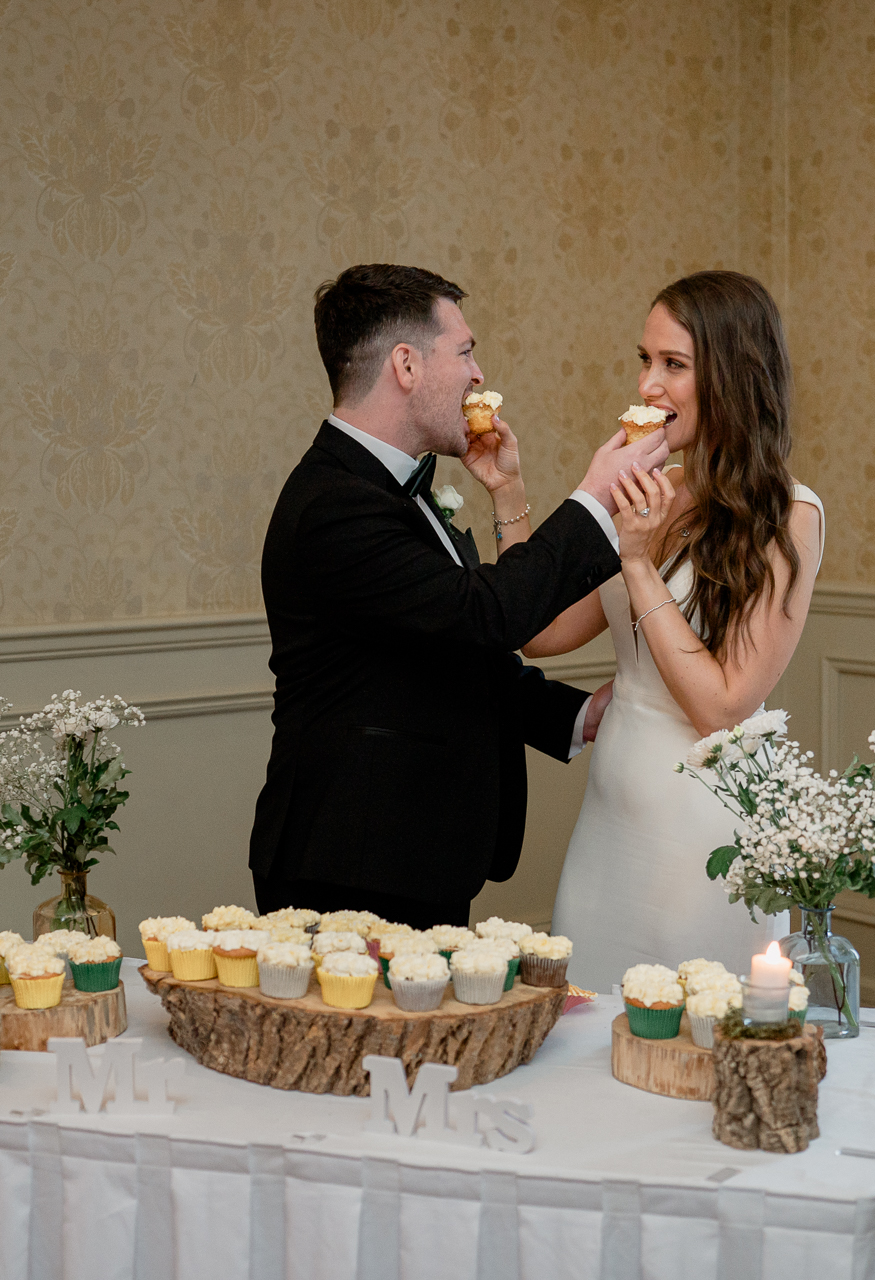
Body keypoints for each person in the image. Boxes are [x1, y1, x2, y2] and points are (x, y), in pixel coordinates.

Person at [249, 263, 671, 928]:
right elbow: (486, 615)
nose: (479, 375)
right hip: (350, 865)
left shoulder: (391, 489)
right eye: (466, 351)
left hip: (407, 855)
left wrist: (575, 716)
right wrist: (594, 498)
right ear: (406, 365)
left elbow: (443, 651)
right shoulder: (337, 504)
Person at [528, 271, 825, 988]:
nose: (647, 385)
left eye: (673, 365)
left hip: (701, 833)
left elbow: (720, 706)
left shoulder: (789, 515)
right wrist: (508, 488)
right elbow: (538, 634)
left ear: (733, 375)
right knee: (587, 1039)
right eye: (644, 360)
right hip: (609, 823)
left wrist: (635, 561)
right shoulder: (651, 495)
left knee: (691, 1049)